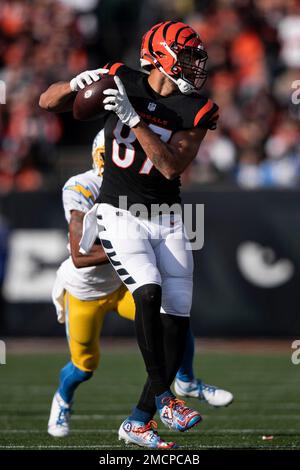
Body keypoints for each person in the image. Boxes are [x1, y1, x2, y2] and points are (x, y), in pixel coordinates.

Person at [40, 20, 229, 449]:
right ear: (161, 56)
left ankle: (139, 421)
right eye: (188, 56)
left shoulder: (198, 108)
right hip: (118, 209)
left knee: (177, 322)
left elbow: (170, 167)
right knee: (148, 291)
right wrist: (73, 84)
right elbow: (47, 102)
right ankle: (165, 396)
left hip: (167, 214)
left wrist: (133, 117)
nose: (196, 65)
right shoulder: (121, 77)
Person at [48, 129, 233, 444]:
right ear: (104, 155)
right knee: (84, 367)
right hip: (85, 290)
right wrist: (134, 242)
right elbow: (80, 255)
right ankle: (62, 399)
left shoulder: (136, 185)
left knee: (172, 318)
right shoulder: (83, 186)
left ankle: (185, 381)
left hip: (122, 284)